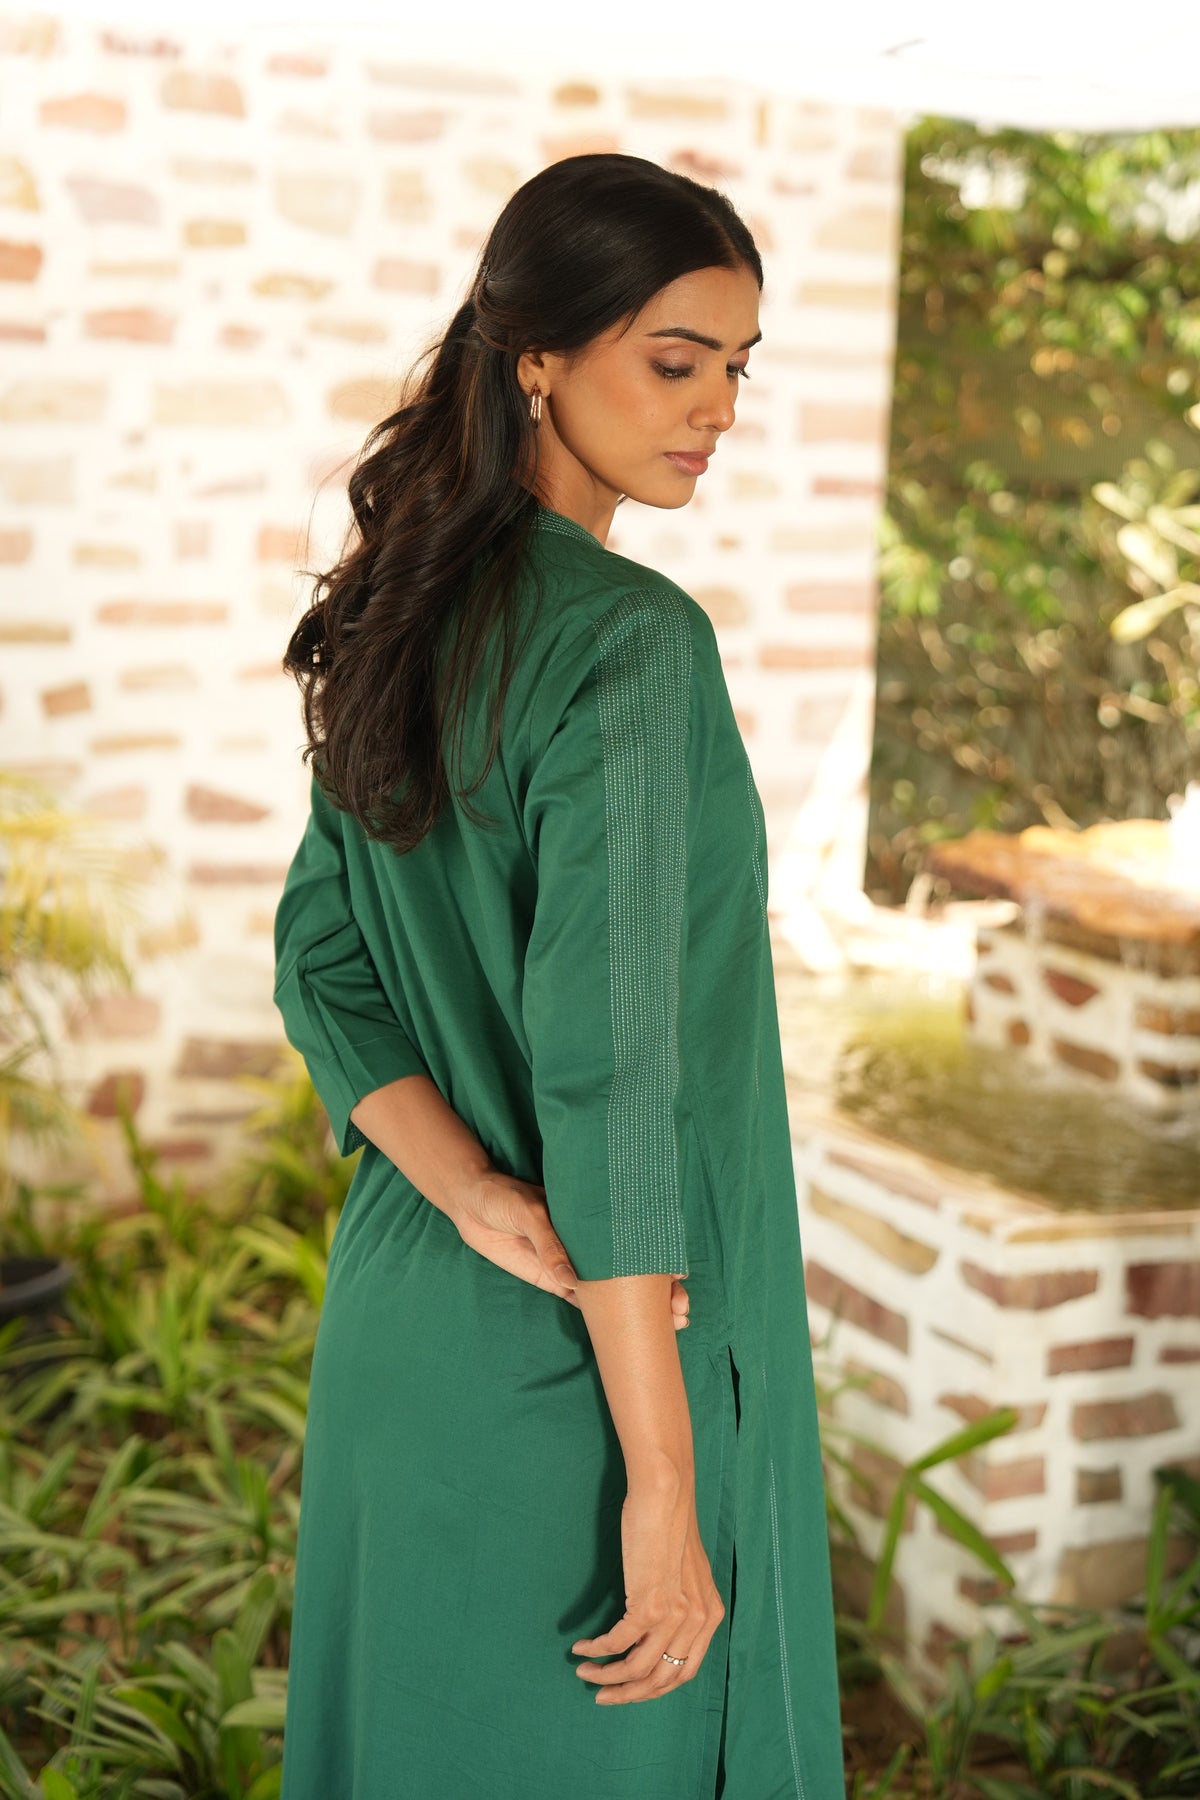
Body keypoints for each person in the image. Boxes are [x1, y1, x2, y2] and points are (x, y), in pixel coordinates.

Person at [272, 151, 844, 1799]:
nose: (717, 407)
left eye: (737, 368)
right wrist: (661, 1486)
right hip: (588, 1384)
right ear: (536, 357)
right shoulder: (633, 645)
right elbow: (614, 1086)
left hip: (409, 1317)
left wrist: (463, 1190)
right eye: (675, 360)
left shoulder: (394, 611)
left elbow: (320, 963)